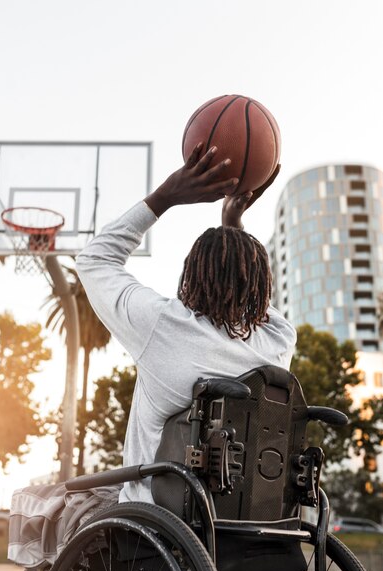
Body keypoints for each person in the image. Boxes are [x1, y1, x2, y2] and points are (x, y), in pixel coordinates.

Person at [75, 142, 296, 506]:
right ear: (259, 283)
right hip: (243, 523)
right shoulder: (277, 341)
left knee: (52, 509)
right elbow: (258, 307)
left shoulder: (163, 325)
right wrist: (234, 226)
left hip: (157, 519)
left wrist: (166, 196)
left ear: (192, 274)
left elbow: (94, 260)